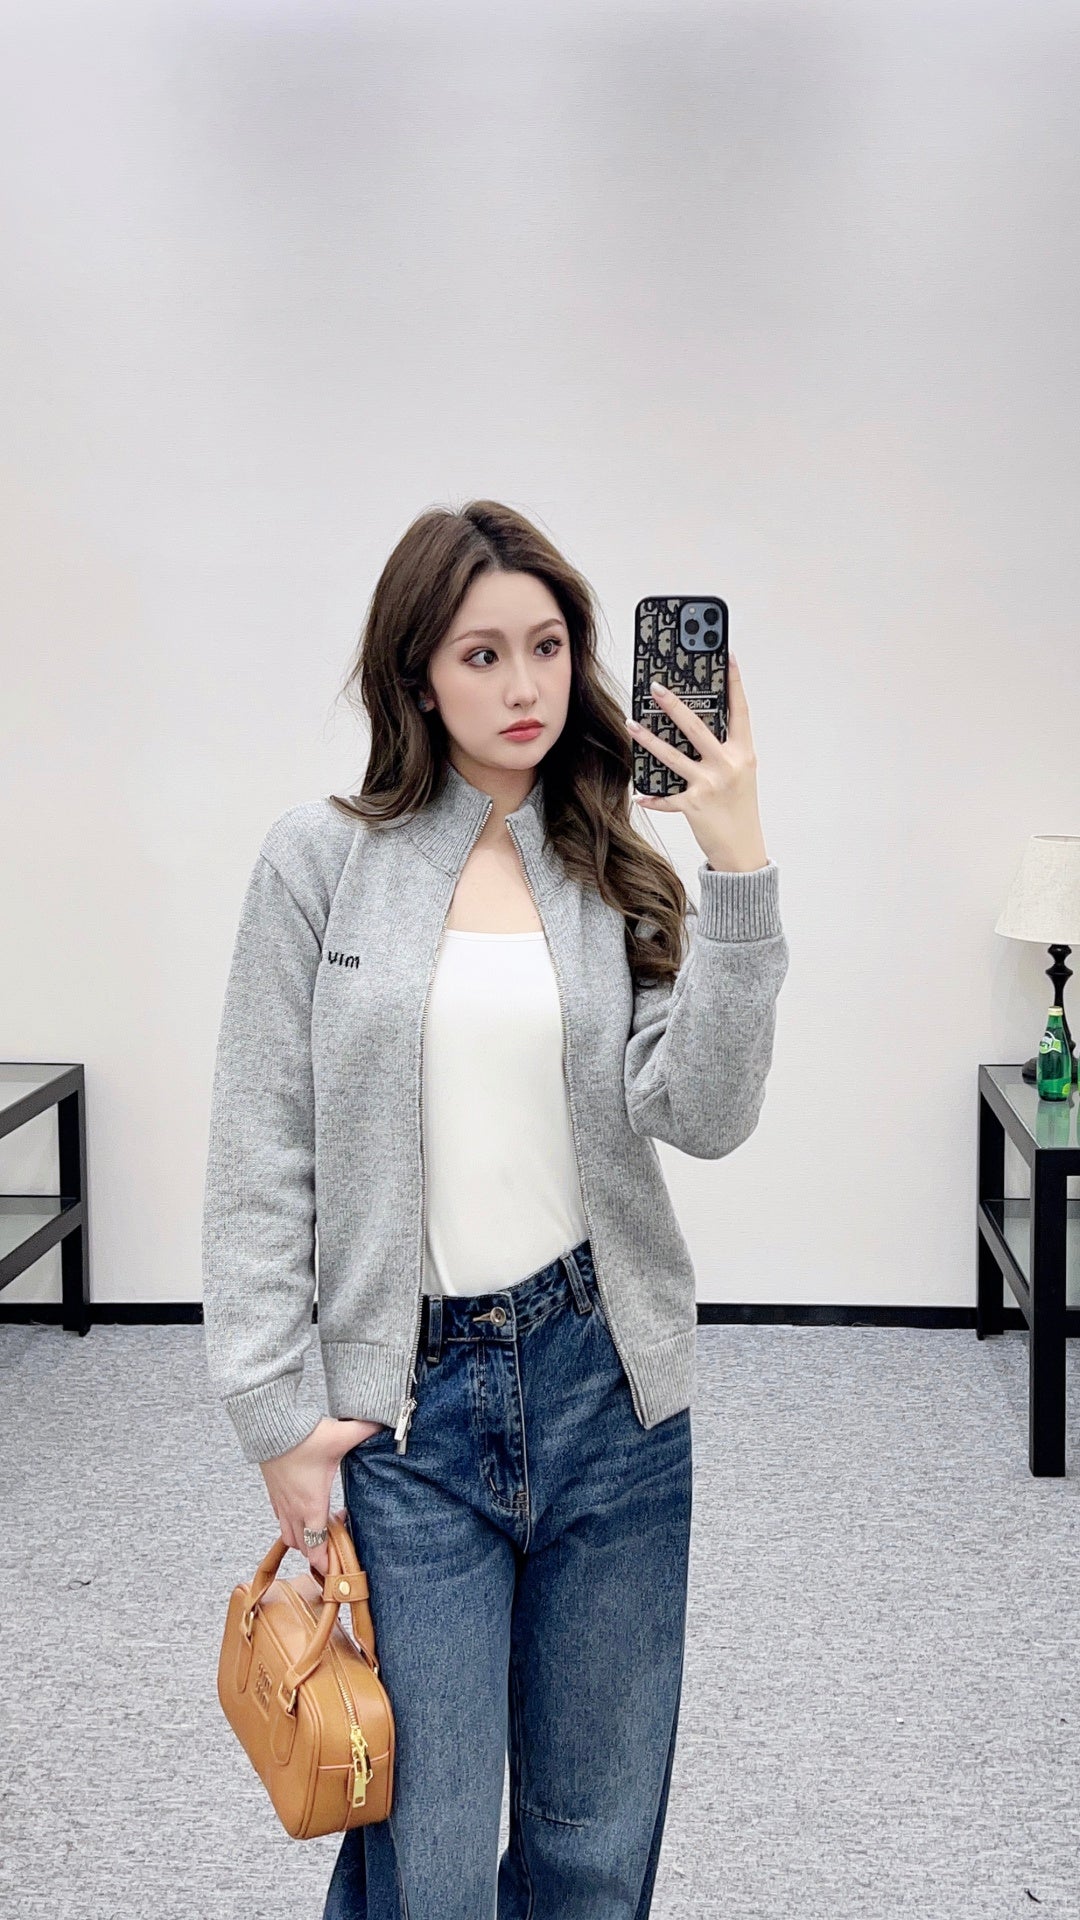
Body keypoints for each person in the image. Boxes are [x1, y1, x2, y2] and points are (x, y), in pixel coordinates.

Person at [201, 499, 790, 1919]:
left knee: (595, 1838)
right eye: (481, 654)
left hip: (610, 1389)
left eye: (547, 646)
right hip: (411, 1412)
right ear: (417, 675)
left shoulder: (612, 861)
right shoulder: (316, 862)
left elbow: (706, 1113)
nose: (524, 686)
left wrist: (738, 866)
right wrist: (275, 1414)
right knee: (435, 1850)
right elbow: (262, 1145)